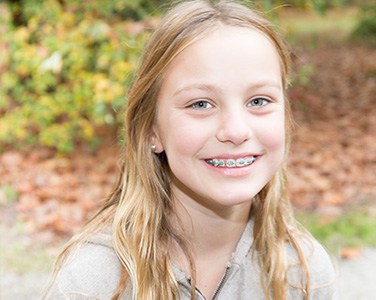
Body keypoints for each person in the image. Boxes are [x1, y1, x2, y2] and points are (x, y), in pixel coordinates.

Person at [43, 0, 337, 299]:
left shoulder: (303, 273)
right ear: (151, 130)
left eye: (259, 101)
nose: (236, 131)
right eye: (200, 104)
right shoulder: (95, 281)